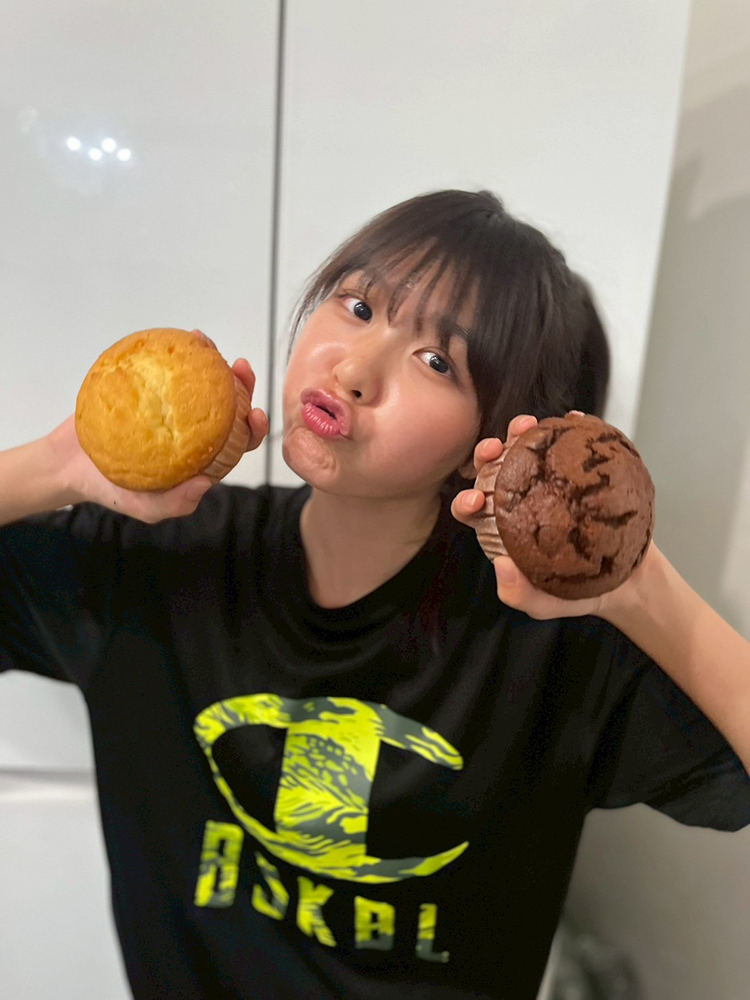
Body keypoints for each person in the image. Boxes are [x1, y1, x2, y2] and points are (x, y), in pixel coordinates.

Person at [1, 189, 748, 1000]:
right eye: (357, 306)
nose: (353, 370)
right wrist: (56, 467)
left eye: (438, 362)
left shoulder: (553, 645)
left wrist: (634, 586)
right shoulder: (156, 565)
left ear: (494, 439)